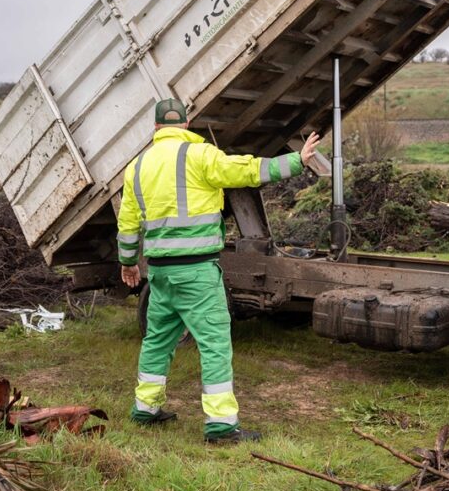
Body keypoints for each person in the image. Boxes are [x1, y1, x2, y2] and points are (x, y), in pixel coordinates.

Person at [118, 98, 321, 444]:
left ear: (155, 129)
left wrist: (127, 264)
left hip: (161, 274)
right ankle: (222, 426)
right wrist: (296, 161)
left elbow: (127, 225)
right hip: (197, 271)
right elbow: (247, 170)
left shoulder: (136, 168)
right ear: (185, 125)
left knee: (157, 341)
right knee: (214, 344)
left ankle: (145, 409)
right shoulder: (200, 155)